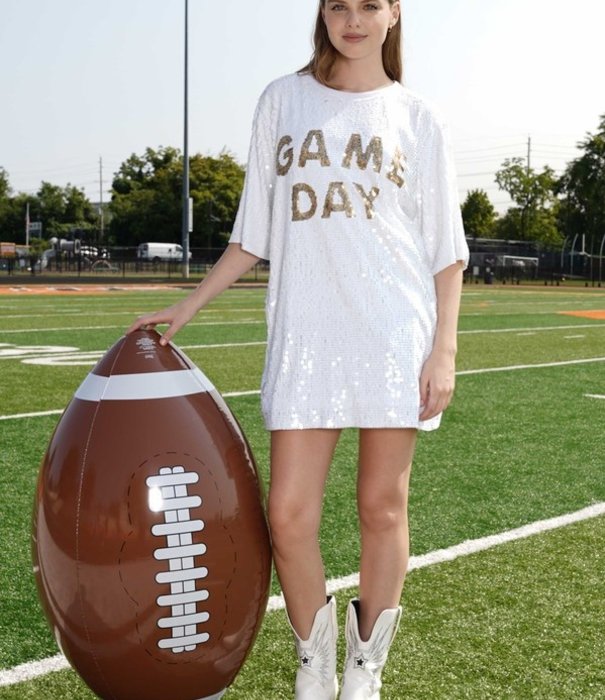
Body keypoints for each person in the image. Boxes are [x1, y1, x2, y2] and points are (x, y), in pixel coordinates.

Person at [128, 1, 469, 697]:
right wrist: (191, 303)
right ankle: (313, 659)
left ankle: (364, 668)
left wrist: (444, 352)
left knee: (381, 507)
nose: (353, 19)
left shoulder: (417, 116)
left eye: (369, 5)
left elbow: (445, 251)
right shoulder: (282, 100)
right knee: (287, 514)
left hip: (391, 332)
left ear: (393, 14)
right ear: (321, 12)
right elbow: (254, 230)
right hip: (307, 334)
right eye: (338, 5)